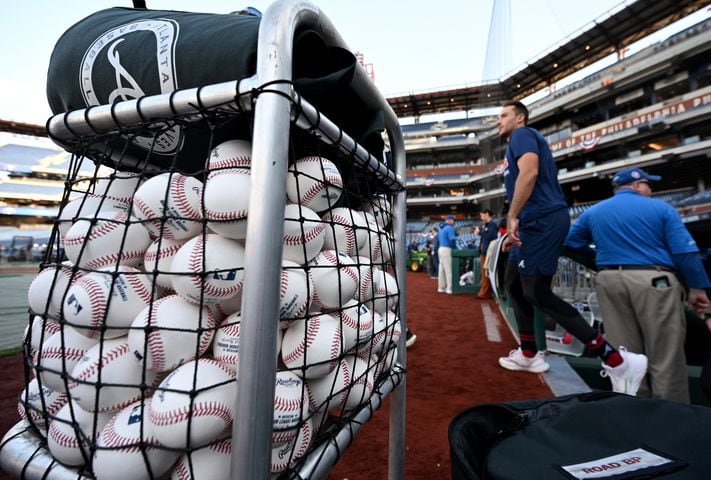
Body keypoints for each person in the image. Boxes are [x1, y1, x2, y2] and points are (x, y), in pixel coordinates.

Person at [495, 100, 648, 396]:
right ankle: (528, 353)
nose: (498, 121)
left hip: (541, 220)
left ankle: (617, 360)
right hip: (530, 222)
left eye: (503, 115)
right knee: (514, 283)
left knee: (537, 292)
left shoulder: (523, 135)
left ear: (520, 118)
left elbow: (529, 173)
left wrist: (512, 215)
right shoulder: (517, 140)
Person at [565, 167, 711, 403]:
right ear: (637, 185)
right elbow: (685, 252)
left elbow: (571, 242)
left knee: (624, 355)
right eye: (649, 185)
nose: (651, 190)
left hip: (609, 280)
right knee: (665, 355)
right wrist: (697, 287)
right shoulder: (661, 208)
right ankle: (670, 417)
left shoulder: (594, 212)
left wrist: (603, 259)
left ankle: (631, 413)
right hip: (654, 280)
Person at [476, 209, 498, 300]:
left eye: (482, 215)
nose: (481, 217)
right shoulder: (487, 225)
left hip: (488, 252)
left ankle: (484, 294)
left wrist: (480, 232)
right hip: (484, 252)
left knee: (486, 274)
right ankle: (485, 293)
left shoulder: (492, 224)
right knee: (485, 273)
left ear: (487, 214)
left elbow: (491, 236)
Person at [437, 215, 457, 294]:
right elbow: (452, 240)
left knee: (441, 270)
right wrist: (454, 248)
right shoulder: (450, 228)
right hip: (447, 249)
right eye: (453, 220)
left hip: (441, 248)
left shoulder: (441, 228)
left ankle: (441, 287)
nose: (454, 221)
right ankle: (449, 288)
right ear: (449, 220)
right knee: (449, 270)